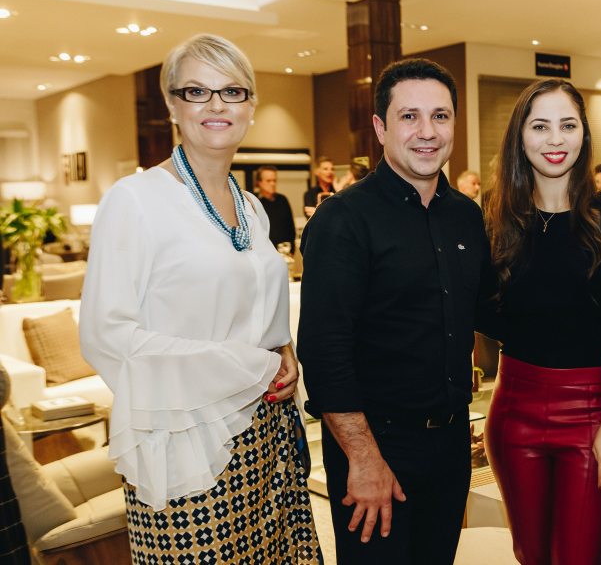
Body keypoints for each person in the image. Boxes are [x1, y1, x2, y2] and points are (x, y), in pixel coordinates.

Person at [79, 34, 320, 564]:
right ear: (172, 104)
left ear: (251, 105)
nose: (216, 105)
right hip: (184, 439)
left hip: (266, 435)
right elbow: (106, 336)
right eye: (196, 91)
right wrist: (240, 366)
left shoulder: (251, 206)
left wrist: (283, 352)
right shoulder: (135, 200)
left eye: (232, 91)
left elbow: (259, 314)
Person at [298, 58, 488, 565]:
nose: (427, 132)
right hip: (375, 447)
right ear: (381, 128)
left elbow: (491, 312)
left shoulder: (466, 216)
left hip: (451, 446)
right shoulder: (343, 219)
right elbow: (324, 352)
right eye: (409, 116)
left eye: (440, 116)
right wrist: (363, 459)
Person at [481, 79, 601, 564]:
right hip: (514, 408)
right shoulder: (495, 219)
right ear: (520, 136)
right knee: (530, 554)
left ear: (584, 134)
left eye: (567, 125)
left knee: (578, 556)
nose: (555, 139)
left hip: (594, 411)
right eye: (540, 126)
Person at [255, 165, 297, 253]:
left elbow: (290, 227)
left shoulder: (282, 199)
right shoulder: (253, 201)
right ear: (259, 182)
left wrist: (292, 250)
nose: (272, 184)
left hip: (283, 250)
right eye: (268, 181)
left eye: (274, 180)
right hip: (261, 251)